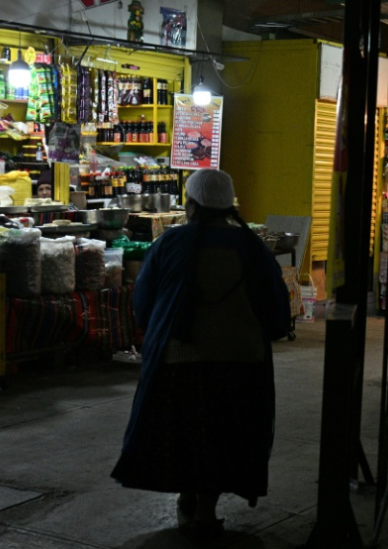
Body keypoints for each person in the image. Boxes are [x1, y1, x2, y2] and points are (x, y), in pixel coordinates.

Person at [110, 168, 291, 539]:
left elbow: (143, 301)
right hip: (242, 361)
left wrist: (159, 333)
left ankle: (190, 499)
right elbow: (276, 308)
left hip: (180, 359)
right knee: (224, 436)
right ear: (229, 205)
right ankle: (204, 509)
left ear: (191, 204)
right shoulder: (252, 246)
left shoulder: (171, 242)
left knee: (186, 434)